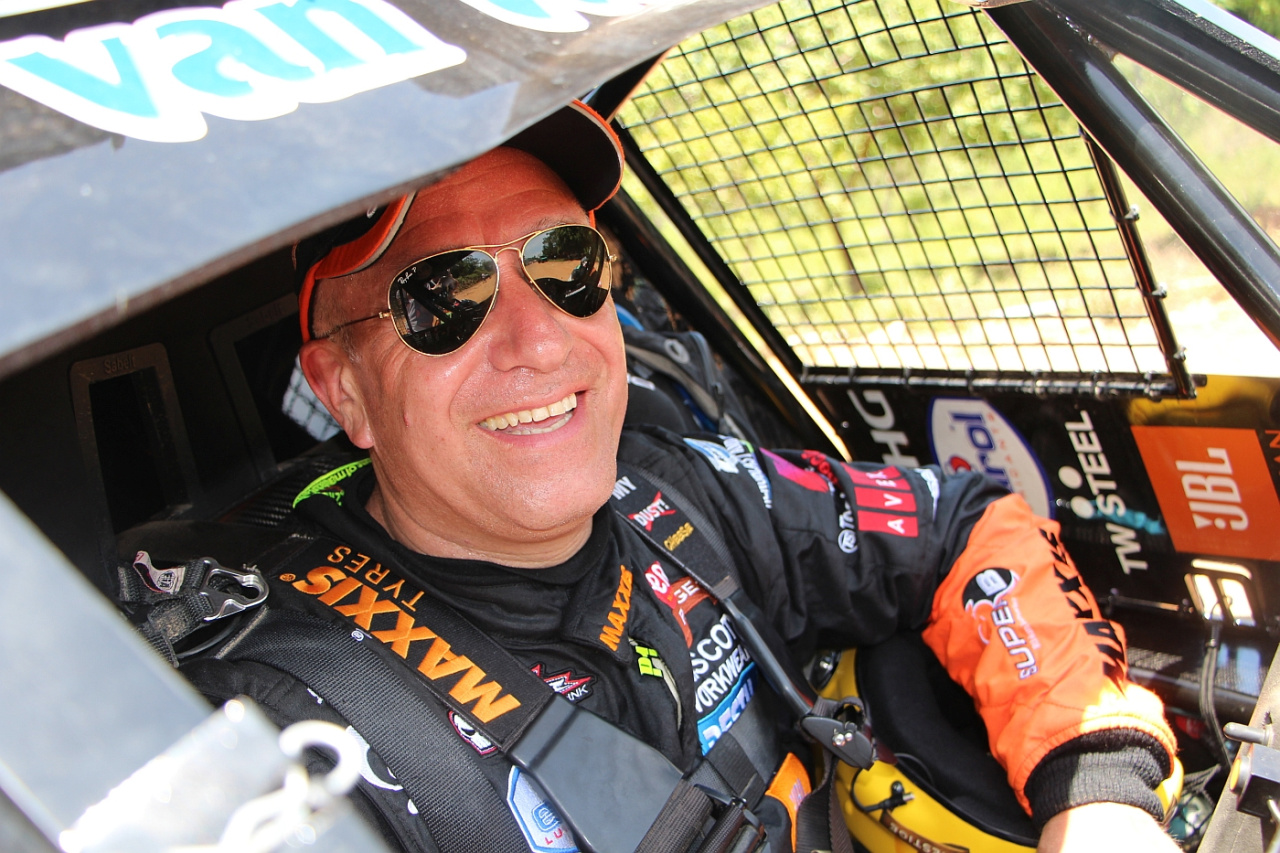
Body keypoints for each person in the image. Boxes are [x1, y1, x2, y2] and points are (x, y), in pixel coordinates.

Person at [182, 102, 1180, 853]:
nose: (540, 340)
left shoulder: (680, 489)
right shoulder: (288, 727)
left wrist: (1096, 789)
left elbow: (967, 522)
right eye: (443, 298)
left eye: (565, 265)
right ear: (343, 387)